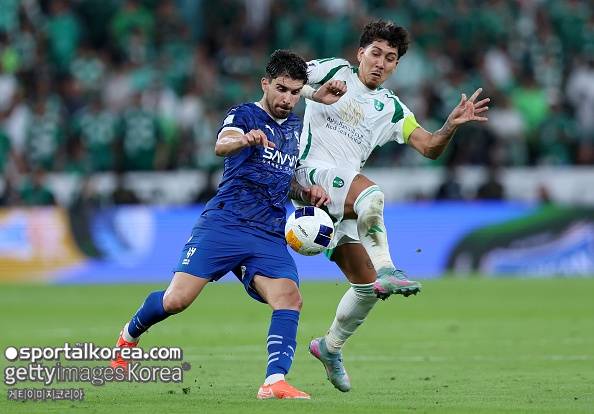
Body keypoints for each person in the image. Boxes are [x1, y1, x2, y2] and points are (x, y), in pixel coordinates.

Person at [110, 50, 343, 400]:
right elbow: (222, 144)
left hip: (268, 231)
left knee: (289, 298)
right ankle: (128, 336)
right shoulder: (244, 114)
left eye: (295, 92)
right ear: (265, 84)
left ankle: (274, 381)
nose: (288, 99)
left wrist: (306, 191)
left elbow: (286, 178)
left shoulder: (296, 128)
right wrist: (244, 139)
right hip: (226, 223)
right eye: (281, 89)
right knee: (176, 300)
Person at [296, 20, 490, 392]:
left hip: (343, 195)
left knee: (366, 288)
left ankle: (330, 347)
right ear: (360, 53)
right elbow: (282, 78)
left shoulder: (390, 107)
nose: (381, 62)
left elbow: (429, 147)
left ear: (396, 66)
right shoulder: (334, 70)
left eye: (390, 58)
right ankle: (389, 268)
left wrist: (449, 125)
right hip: (310, 175)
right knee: (373, 195)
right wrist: (312, 93)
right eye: (376, 53)